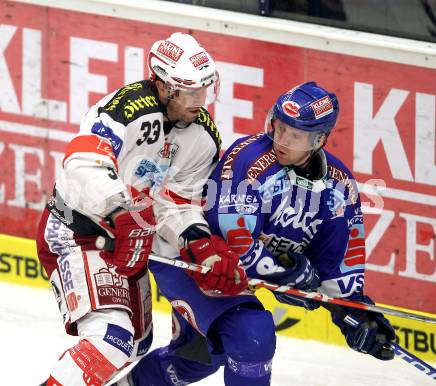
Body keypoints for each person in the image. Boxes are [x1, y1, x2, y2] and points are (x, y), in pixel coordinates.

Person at [111, 81, 396, 386]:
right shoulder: (248, 158)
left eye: (295, 134)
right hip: (191, 256)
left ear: (319, 140)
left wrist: (355, 313)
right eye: (279, 126)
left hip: (227, 276)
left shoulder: (340, 186)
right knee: (251, 336)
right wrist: (291, 272)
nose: (281, 139)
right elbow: (236, 247)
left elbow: (337, 264)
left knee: (198, 360)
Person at [36, 32, 248, 386]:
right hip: (74, 231)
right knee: (111, 339)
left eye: (204, 90)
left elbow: (179, 201)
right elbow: (82, 162)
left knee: (134, 343)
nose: (201, 100)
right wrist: (122, 212)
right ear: (163, 85)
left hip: (125, 245)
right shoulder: (126, 108)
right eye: (190, 92)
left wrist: (198, 241)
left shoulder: (203, 136)